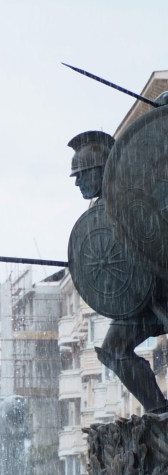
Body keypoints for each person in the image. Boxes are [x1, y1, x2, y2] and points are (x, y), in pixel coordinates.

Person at [68, 129, 168, 414]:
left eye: (81, 174)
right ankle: (159, 414)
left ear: (100, 170)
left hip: (161, 294)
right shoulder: (103, 211)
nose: (77, 182)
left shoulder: (139, 194)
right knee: (113, 351)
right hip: (143, 303)